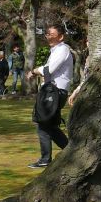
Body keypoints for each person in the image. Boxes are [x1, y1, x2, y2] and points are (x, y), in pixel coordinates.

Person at [29, 24, 74, 166]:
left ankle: (47, 158)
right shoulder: (56, 50)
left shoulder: (63, 49)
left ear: (61, 36)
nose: (49, 36)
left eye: (52, 34)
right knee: (49, 125)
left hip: (55, 92)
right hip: (52, 90)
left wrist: (34, 71)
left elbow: (49, 69)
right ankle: (70, 153)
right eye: (47, 34)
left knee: (43, 123)